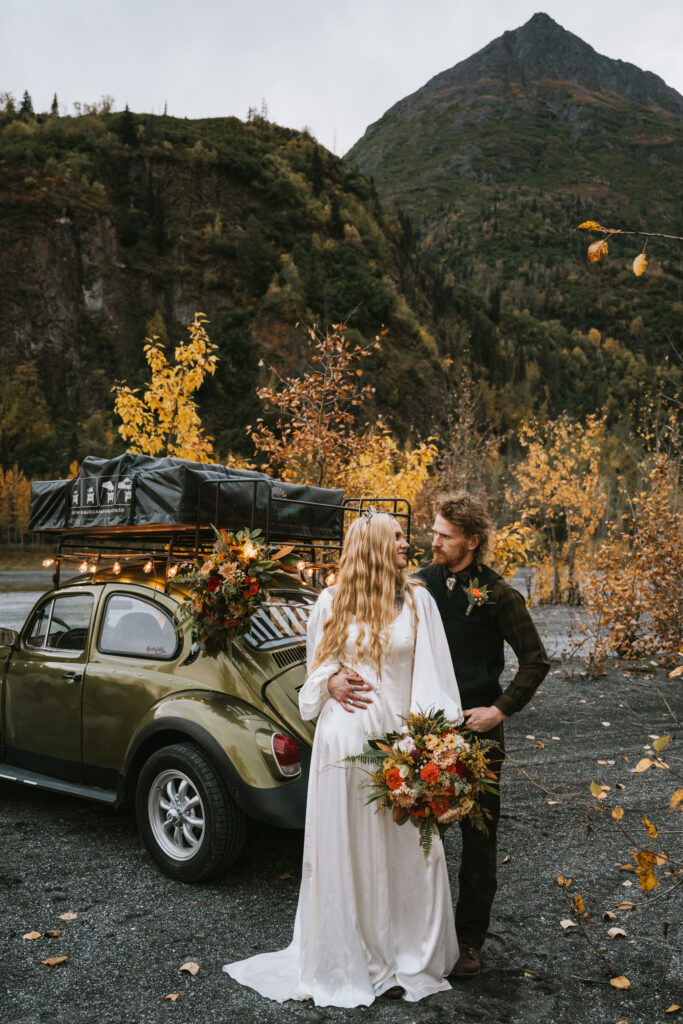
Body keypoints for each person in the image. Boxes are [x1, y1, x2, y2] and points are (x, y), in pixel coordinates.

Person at [224, 512, 464, 1006]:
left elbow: (434, 677)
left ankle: (407, 956)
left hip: (401, 747)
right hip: (343, 748)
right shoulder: (331, 601)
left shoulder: (418, 602)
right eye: (396, 536)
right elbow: (314, 673)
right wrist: (331, 680)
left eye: (404, 535)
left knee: (410, 853)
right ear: (375, 544)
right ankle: (347, 956)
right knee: (348, 851)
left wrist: (427, 747)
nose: (406, 542)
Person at [417, 492, 550, 978]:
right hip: (422, 731)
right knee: (417, 834)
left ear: (472, 541)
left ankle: (469, 942)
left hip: (478, 735)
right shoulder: (417, 584)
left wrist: (499, 710)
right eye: (433, 531)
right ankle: (419, 935)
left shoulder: (499, 594)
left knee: (478, 841)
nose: (433, 541)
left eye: (444, 536)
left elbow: (536, 660)